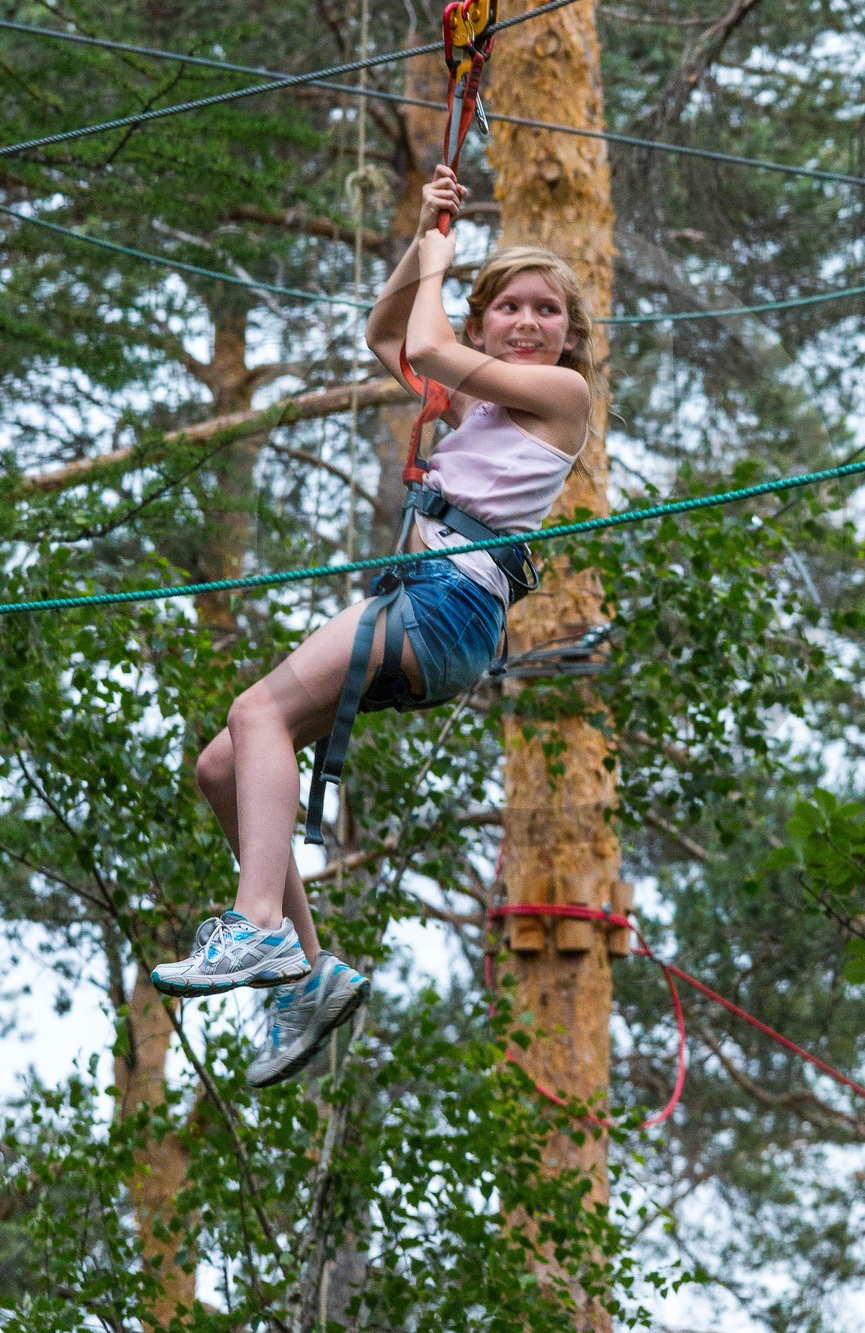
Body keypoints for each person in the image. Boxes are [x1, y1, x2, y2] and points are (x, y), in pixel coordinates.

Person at [150, 164, 598, 1088]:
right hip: (430, 602)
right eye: (507, 308)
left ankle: (258, 929)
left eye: (544, 311)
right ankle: (307, 979)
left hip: (444, 602)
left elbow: (428, 344)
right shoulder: (483, 399)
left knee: (256, 715)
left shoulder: (561, 401)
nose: (525, 323)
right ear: (486, 326)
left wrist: (441, 265)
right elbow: (390, 333)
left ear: (570, 336)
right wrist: (422, 240)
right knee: (221, 767)